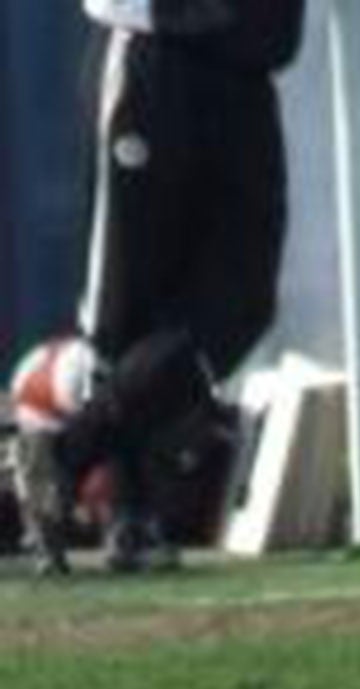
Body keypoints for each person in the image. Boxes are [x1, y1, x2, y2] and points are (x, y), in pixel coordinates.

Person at [11, 0, 306, 576]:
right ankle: (131, 514)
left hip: (246, 73)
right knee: (127, 305)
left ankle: (65, 456)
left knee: (242, 302)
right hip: (154, 56)